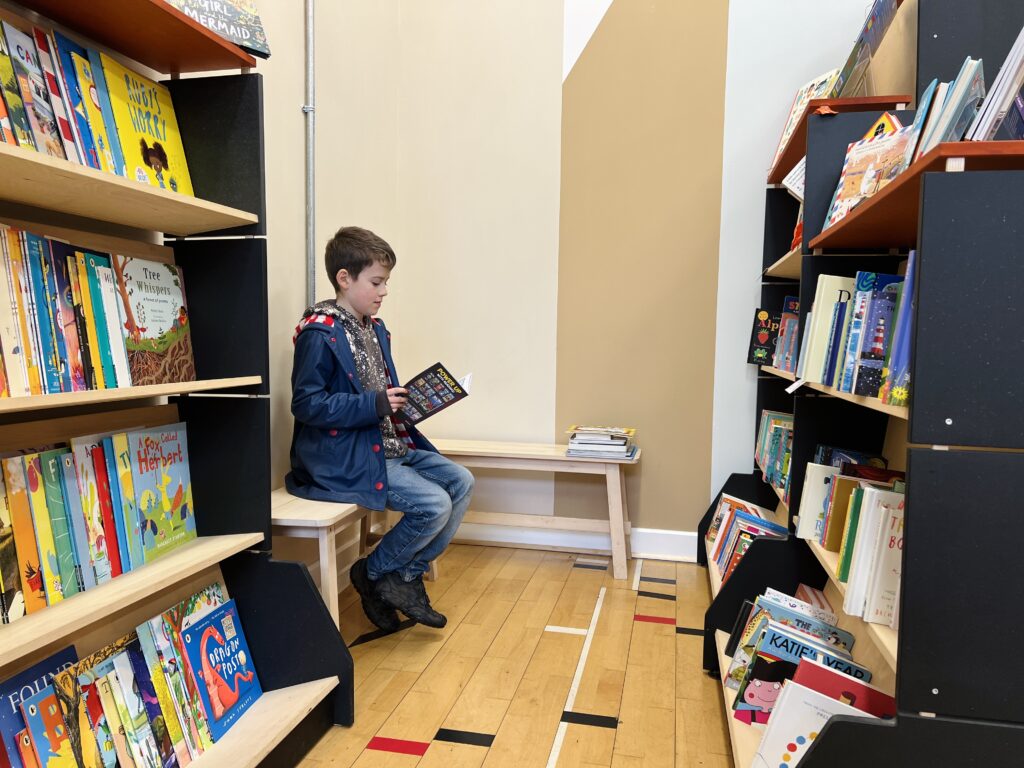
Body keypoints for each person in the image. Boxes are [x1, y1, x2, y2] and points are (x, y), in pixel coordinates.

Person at [286, 226, 474, 631]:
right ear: (344, 278)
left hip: (387, 445)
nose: (384, 290)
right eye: (376, 281)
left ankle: (398, 576)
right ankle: (378, 574)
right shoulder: (320, 333)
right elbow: (305, 404)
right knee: (434, 504)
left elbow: (377, 392)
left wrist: (404, 402)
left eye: (385, 282)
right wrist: (374, 404)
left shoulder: (375, 329)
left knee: (461, 481)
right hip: (347, 456)